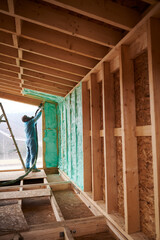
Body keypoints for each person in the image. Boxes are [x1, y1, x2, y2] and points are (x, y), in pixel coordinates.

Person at [22, 106, 43, 172]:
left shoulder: (26, 123)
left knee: (28, 154)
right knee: (33, 153)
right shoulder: (29, 122)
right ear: (25, 120)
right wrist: (41, 110)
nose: (28, 117)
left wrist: (38, 110)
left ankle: (27, 166)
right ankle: (33, 168)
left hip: (28, 141)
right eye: (26, 117)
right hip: (31, 140)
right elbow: (37, 118)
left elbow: (34, 121)